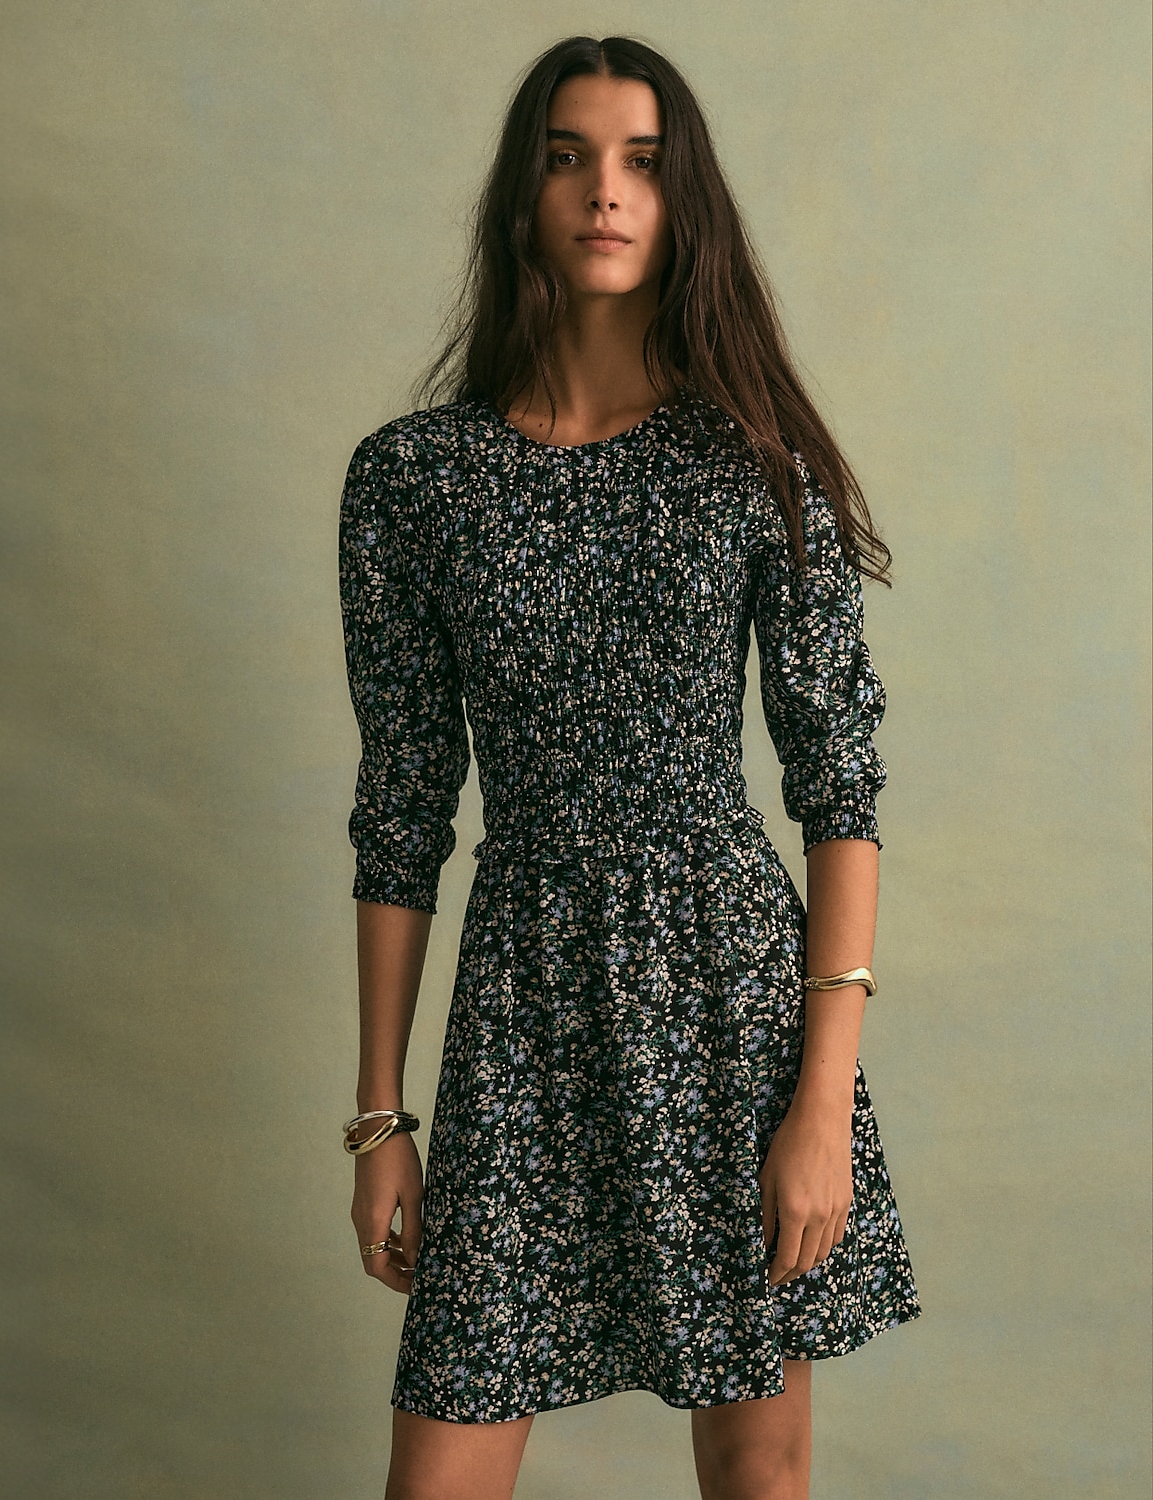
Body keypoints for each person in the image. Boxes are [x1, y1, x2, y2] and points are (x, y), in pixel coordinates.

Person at [338, 34, 921, 1500]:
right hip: (522, 1011)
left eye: (643, 163)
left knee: (759, 1474)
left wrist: (820, 1108)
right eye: (569, 156)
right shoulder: (414, 482)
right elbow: (404, 810)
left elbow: (839, 787)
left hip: (730, 1003)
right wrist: (379, 1117)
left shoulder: (751, 463)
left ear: (683, 204)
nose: (606, 191)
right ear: (522, 194)